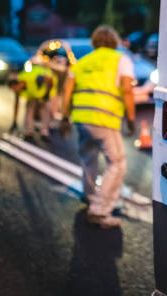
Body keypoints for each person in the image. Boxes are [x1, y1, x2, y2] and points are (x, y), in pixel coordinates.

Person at [60, 25, 136, 229]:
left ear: (94, 42)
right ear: (114, 41)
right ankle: (100, 210)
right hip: (105, 119)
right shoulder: (120, 59)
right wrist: (131, 118)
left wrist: (64, 117)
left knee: (88, 159)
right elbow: (127, 90)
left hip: (82, 119)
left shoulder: (82, 62)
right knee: (117, 163)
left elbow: (67, 91)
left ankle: (91, 197)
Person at [8, 61, 56, 143]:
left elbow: (50, 80)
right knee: (29, 109)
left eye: (15, 89)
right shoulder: (19, 88)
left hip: (46, 88)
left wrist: (46, 94)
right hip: (33, 93)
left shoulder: (34, 78)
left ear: (18, 84)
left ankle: (44, 132)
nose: (16, 92)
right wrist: (14, 121)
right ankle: (29, 132)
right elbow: (16, 105)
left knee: (45, 110)